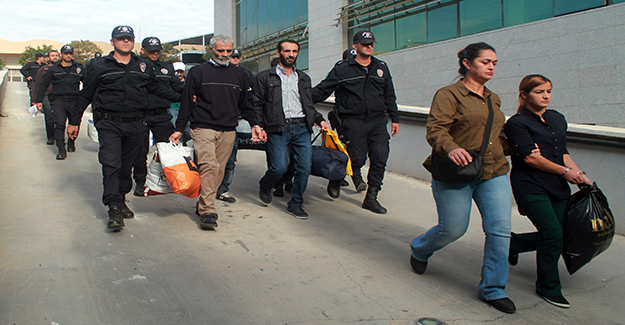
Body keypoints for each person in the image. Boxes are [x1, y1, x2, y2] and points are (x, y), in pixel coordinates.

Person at [409, 42, 516, 314]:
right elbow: (435, 130)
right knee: (453, 229)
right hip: (457, 172)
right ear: (467, 64)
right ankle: (421, 249)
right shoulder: (448, 94)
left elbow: (494, 136)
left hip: (494, 171)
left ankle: (492, 288)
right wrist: (452, 147)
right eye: (485, 62)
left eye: (494, 62)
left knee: (500, 231)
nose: (491, 66)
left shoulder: (494, 98)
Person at [67, 25, 181, 231]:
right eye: (120, 38)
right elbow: (86, 94)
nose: (125, 41)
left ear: (133, 41)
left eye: (128, 38)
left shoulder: (143, 65)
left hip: (136, 123)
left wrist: (186, 97)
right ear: (112, 42)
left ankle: (120, 199)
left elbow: (156, 88)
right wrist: (74, 121)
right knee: (111, 164)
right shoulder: (98, 65)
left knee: (126, 166)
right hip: (109, 123)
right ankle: (113, 208)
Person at [504, 75, 592, 309]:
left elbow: (562, 152)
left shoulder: (557, 118)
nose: (545, 96)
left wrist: (579, 174)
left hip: (557, 185)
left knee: (560, 234)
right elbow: (531, 158)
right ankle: (548, 286)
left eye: (549, 91)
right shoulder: (517, 123)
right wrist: (566, 172)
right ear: (524, 95)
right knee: (552, 233)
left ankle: (515, 244)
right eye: (539, 91)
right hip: (530, 185)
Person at [169, 35, 263, 230]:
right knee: (209, 166)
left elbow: (246, 103)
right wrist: (179, 129)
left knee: (219, 170)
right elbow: (186, 101)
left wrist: (255, 124)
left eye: (229, 51)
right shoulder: (197, 72)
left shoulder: (240, 75)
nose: (225, 55)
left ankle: (203, 202)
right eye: (221, 51)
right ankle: (208, 210)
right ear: (211, 50)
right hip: (203, 127)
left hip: (228, 129)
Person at [312, 30, 399, 213]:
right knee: (357, 159)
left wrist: (395, 118)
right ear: (355, 46)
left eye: (371, 44)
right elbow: (321, 91)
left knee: (380, 158)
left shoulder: (381, 67)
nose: (369, 46)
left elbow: (389, 94)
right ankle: (337, 177)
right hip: (353, 121)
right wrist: (302, 100)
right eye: (365, 43)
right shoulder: (342, 69)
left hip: (377, 121)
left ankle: (371, 197)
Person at [254, 39, 330, 219]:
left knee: (304, 167)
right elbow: (257, 104)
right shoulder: (265, 77)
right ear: (278, 53)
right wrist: (258, 125)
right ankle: (266, 184)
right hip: (278, 128)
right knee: (279, 167)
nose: (291, 55)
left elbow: (308, 103)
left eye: (294, 51)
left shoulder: (303, 77)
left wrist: (319, 119)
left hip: (302, 127)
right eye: (287, 51)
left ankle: (296, 203)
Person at [132, 36, 185, 196]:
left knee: (168, 149)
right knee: (140, 152)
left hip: (161, 114)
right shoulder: (135, 66)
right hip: (141, 115)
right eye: (151, 50)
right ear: (143, 50)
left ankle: (167, 180)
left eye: (157, 51)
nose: (155, 53)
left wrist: (192, 90)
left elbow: (177, 86)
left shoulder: (167, 68)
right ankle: (141, 182)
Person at [212, 49, 256, 203]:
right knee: (210, 159)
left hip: (235, 122)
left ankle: (223, 189)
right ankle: (208, 188)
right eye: (232, 57)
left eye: (237, 57)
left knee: (229, 159)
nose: (235, 59)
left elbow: (250, 99)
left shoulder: (246, 75)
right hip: (212, 121)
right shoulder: (215, 71)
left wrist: (254, 122)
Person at [36, 46, 85, 160]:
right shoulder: (53, 69)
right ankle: (61, 149)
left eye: (70, 53)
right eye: (66, 53)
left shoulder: (78, 68)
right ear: (61, 55)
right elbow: (43, 85)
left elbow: (88, 84)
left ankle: (71, 142)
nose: (68, 55)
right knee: (59, 124)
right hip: (58, 101)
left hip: (74, 101)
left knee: (75, 123)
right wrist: (38, 100)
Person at [33, 50, 60, 145]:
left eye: (56, 55)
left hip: (59, 96)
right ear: (48, 57)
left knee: (60, 118)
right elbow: (37, 85)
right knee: (49, 117)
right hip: (46, 95)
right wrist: (35, 100)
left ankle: (59, 136)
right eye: (53, 55)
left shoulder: (62, 69)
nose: (55, 57)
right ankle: (51, 137)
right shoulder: (43, 70)